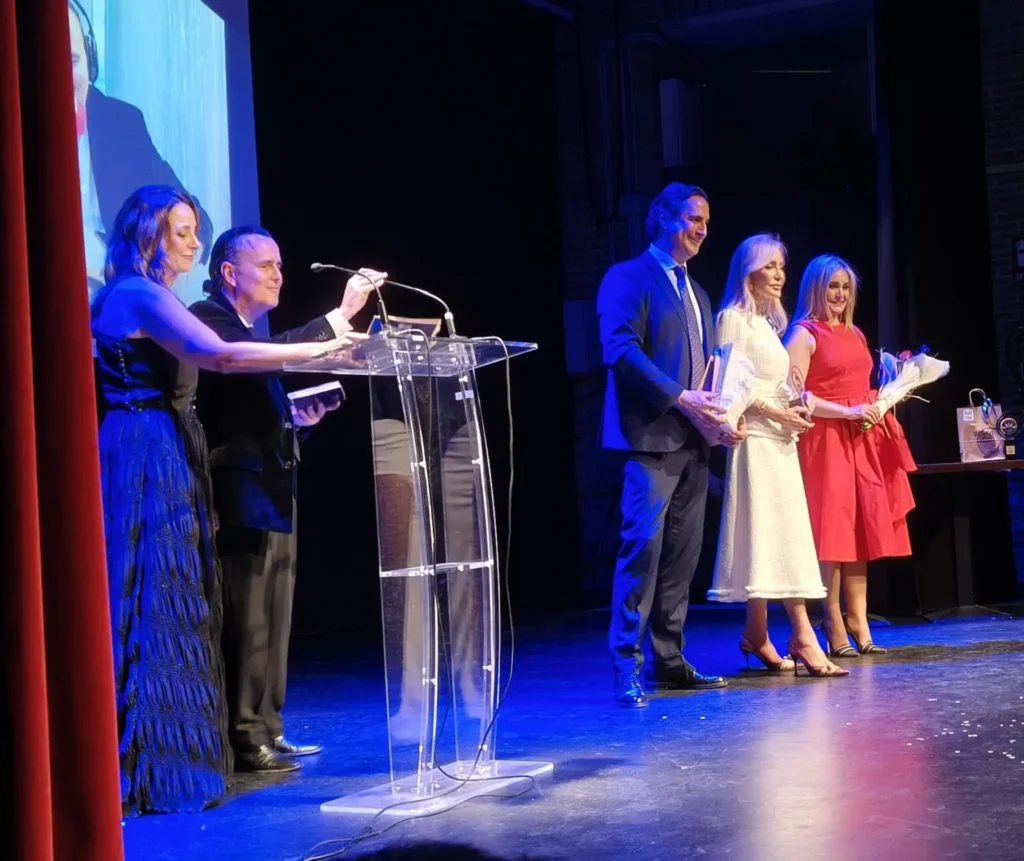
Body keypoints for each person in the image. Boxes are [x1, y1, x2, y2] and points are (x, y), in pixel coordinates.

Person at [91, 186, 355, 814]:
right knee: (153, 600)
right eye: (181, 231)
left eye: (193, 230)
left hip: (169, 446)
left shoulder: (154, 295)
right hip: (146, 449)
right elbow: (222, 356)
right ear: (147, 233)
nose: (193, 243)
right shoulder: (136, 293)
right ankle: (152, 769)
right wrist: (320, 346)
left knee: (176, 600)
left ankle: (174, 762)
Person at [189, 227, 386, 772]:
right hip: (239, 493)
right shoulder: (209, 320)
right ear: (229, 273)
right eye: (266, 265)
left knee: (274, 618)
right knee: (247, 619)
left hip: (272, 489)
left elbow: (253, 410)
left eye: (280, 265)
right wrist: (340, 317)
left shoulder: (251, 332)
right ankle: (243, 736)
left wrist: (298, 418)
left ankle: (268, 728)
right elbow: (251, 371)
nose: (278, 275)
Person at [598, 182, 746, 708]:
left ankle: (670, 659)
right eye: (692, 219)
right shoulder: (628, 277)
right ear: (662, 218)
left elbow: (705, 373)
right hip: (650, 441)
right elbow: (620, 350)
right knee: (642, 550)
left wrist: (718, 418)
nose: (702, 230)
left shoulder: (698, 293)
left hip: (694, 444)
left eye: (706, 222)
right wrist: (681, 398)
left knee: (683, 556)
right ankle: (626, 665)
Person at [707, 234, 847, 678]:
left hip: (780, 440)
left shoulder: (766, 324)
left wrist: (794, 408)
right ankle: (803, 634)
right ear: (748, 271)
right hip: (756, 442)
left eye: (782, 267)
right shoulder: (732, 319)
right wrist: (775, 412)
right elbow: (731, 387)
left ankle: (756, 632)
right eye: (769, 266)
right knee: (777, 535)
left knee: (770, 536)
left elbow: (770, 384)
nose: (779, 275)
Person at [784, 254, 916, 657]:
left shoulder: (855, 333)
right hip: (825, 439)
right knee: (833, 532)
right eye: (832, 286)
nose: (840, 294)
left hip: (861, 436)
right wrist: (848, 411)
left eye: (845, 287)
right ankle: (832, 620)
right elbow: (795, 396)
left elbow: (857, 384)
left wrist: (885, 394)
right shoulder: (803, 334)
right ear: (815, 288)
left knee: (860, 529)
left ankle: (858, 618)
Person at [69, 0, 212, 299]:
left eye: (72, 61)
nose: (63, 79)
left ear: (90, 64)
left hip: (114, 289)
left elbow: (175, 197)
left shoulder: (120, 120)